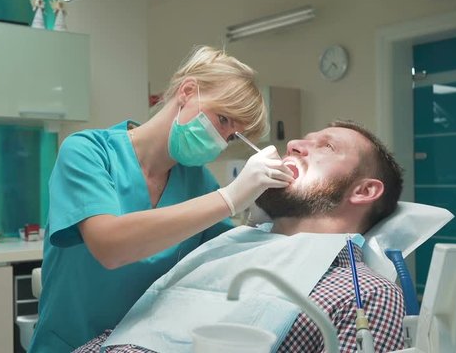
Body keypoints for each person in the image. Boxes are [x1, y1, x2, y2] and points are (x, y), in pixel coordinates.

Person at [29, 46, 295, 352]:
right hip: (68, 343)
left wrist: (263, 217)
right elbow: (110, 246)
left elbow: (228, 261)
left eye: (232, 136)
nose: (221, 141)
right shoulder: (88, 151)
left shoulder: (198, 182)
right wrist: (231, 196)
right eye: (223, 120)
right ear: (187, 91)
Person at [73, 120, 407, 353]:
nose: (293, 145)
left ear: (364, 190)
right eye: (303, 139)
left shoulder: (364, 295)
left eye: (327, 147)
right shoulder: (228, 248)